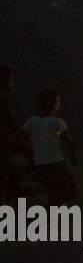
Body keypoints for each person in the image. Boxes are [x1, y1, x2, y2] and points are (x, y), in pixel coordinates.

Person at [23, 88, 78, 204]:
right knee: (70, 185)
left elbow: (22, 137)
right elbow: (69, 141)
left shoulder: (32, 121)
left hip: (39, 165)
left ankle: (50, 208)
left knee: (52, 190)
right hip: (57, 163)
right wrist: (73, 156)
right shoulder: (57, 122)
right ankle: (52, 208)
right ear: (54, 104)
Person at [0, 65, 25, 204]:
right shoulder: (3, 98)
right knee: (13, 179)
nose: (12, 83)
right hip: (5, 145)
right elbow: (10, 121)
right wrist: (22, 134)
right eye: (10, 79)